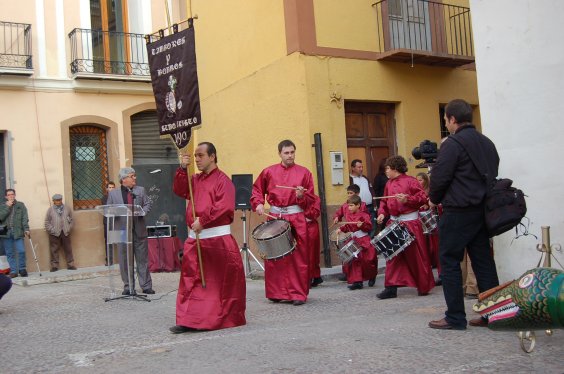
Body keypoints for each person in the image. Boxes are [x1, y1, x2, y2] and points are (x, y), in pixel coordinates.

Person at [428, 99, 500, 330]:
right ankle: (493, 314)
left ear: (452, 119)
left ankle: (455, 317)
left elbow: (440, 177)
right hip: (482, 211)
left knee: (449, 261)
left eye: (446, 120)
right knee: (484, 263)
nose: (446, 124)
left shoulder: (453, 143)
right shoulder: (487, 142)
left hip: (458, 210)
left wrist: (433, 198)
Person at [170, 142, 246, 333]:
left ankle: (213, 318)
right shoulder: (194, 180)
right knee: (191, 280)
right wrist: (182, 168)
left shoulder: (224, 181)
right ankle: (188, 319)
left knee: (215, 283)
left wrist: (203, 221)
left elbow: (224, 207)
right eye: (195, 156)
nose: (197, 159)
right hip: (194, 240)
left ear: (212, 157)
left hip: (216, 241)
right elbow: (180, 190)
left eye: (200, 155)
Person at [251, 139, 314, 305]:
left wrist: (301, 197)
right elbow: (257, 190)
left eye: (292, 152)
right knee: (274, 256)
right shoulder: (269, 172)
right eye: (286, 153)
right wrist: (258, 203)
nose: (290, 155)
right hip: (274, 217)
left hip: (296, 218)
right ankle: (276, 292)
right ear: (279, 153)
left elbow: (312, 200)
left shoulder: (304, 173)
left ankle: (298, 294)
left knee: (298, 256)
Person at [376, 155, 435, 299]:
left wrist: (407, 199)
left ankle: (423, 286)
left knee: (416, 256)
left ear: (395, 168)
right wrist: (382, 213)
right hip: (394, 223)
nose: (386, 172)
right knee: (392, 256)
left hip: (410, 223)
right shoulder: (388, 184)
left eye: (388, 169)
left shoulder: (411, 181)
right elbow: (384, 202)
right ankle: (390, 287)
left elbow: (422, 198)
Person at [106, 167, 154, 295]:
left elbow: (147, 203)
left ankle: (146, 285)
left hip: (139, 229)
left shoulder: (140, 190)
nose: (135, 178)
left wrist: (142, 211)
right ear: (124, 179)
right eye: (132, 176)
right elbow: (108, 210)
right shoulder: (113, 194)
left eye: (134, 176)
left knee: (142, 259)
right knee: (124, 260)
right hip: (121, 231)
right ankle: (128, 286)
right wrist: (117, 211)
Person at [336, 195, 377, 290]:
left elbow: (369, 227)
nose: (349, 208)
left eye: (351, 205)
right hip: (353, 240)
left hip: (363, 239)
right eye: (348, 205)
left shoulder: (364, 215)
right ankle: (357, 281)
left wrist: (362, 226)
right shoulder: (349, 215)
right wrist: (341, 229)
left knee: (368, 260)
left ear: (358, 205)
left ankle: (372, 275)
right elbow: (347, 226)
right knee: (354, 260)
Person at [416, 172, 441, 284]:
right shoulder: (417, 192)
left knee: (436, 248)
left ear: (426, 180)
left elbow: (436, 203)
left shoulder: (430, 191)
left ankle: (441, 274)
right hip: (421, 222)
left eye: (420, 180)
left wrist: (427, 205)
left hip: (431, 222)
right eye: (417, 180)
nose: (418, 182)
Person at [0, 189, 30, 278]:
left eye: (12, 194)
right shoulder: (2, 206)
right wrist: (7, 207)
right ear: (6, 197)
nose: (11, 196)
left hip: (18, 231)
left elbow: (25, 217)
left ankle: (22, 269)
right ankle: (13, 271)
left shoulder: (20, 205)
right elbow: (0, 218)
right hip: (6, 232)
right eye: (9, 195)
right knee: (10, 253)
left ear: (15, 195)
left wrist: (26, 228)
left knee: (21, 251)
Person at [44, 194, 76, 271]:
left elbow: (72, 220)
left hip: (65, 232)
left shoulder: (67, 208)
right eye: (57, 200)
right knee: (54, 250)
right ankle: (54, 266)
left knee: (68, 249)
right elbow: (46, 222)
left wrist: (69, 228)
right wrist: (52, 230)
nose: (58, 202)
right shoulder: (50, 210)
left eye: (60, 200)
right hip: (54, 233)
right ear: (53, 201)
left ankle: (70, 265)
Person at [349, 159, 376, 237]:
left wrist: (375, 205)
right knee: (362, 228)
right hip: (359, 208)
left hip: (370, 207)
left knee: (373, 226)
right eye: (359, 167)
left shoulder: (365, 178)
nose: (361, 169)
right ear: (353, 168)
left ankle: (370, 244)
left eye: (362, 167)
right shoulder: (350, 179)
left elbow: (371, 190)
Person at [305, 192, 323, 288]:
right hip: (306, 226)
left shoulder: (314, 198)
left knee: (311, 253)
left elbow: (314, 213)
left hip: (310, 226)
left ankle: (310, 277)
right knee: (311, 253)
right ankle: (316, 276)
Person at [101, 181, 116, 266]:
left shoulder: (118, 197)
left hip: (117, 222)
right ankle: (109, 260)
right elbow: (107, 208)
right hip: (108, 222)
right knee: (108, 241)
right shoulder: (104, 198)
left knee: (120, 239)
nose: (111, 189)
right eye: (109, 187)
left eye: (112, 187)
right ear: (106, 189)